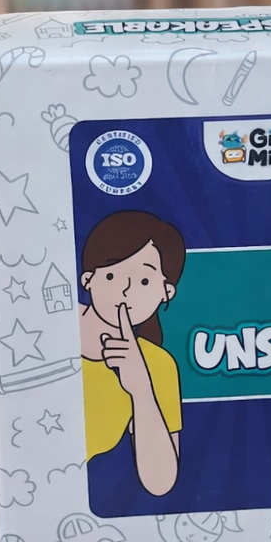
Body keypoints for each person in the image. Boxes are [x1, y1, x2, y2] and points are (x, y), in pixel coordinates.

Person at [79, 210, 185, 496]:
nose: (125, 290)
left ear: (167, 292)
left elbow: (160, 483)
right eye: (111, 275)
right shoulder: (52, 326)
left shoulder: (157, 365)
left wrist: (141, 390)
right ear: (88, 279)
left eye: (144, 281)